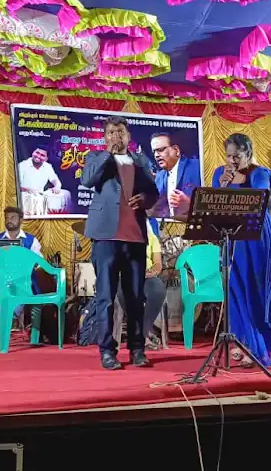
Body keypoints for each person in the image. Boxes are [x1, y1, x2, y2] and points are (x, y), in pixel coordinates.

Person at [211, 133, 271, 367]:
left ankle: (261, 346)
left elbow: (259, 199)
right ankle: (244, 344)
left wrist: (238, 181)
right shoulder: (219, 174)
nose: (231, 161)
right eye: (228, 156)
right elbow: (213, 204)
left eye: (237, 156)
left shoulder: (260, 173)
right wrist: (222, 186)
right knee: (236, 292)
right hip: (232, 239)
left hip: (256, 240)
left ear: (248, 153)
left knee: (257, 291)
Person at [81, 116, 159, 370]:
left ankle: (137, 349)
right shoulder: (96, 158)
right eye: (111, 132)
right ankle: (107, 351)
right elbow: (87, 180)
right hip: (106, 238)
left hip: (135, 237)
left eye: (121, 132)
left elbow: (154, 193)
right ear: (105, 137)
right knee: (105, 297)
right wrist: (108, 155)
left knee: (136, 297)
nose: (116, 136)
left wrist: (145, 199)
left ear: (128, 136)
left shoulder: (140, 160)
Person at [0, 206, 42, 322]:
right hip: (1, 276)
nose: (9, 220)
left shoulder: (31, 240)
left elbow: (39, 263)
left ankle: (10, 318)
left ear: (21, 220)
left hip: (22, 278)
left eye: (13, 217)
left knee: (20, 286)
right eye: (7, 218)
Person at [117, 220, 166, 350]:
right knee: (123, 292)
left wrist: (152, 272)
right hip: (128, 275)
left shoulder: (152, 238)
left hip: (147, 276)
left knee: (158, 290)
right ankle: (142, 335)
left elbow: (158, 264)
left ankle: (141, 334)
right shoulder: (123, 238)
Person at [150, 132, 201, 218]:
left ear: (176, 150)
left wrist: (190, 203)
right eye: (154, 151)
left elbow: (213, 204)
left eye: (161, 150)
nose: (156, 155)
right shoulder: (159, 176)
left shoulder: (197, 166)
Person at [19, 147, 71, 214]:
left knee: (66, 193)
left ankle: (62, 217)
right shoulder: (22, 165)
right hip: (25, 195)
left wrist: (57, 186)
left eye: (42, 155)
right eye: (37, 153)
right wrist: (28, 189)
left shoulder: (47, 166)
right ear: (33, 153)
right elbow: (15, 186)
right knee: (35, 198)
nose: (38, 156)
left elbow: (55, 180)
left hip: (40, 194)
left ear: (46, 159)